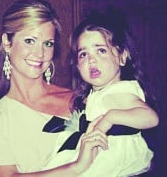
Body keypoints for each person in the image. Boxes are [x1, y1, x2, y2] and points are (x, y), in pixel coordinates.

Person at [0, 0, 108, 177]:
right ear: (7, 42)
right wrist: (77, 166)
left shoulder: (79, 99)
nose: (39, 54)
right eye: (30, 41)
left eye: (48, 44)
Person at [43, 9, 159, 176]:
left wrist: (110, 117)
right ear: (76, 65)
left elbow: (150, 118)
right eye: (83, 54)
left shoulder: (119, 91)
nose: (92, 59)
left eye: (101, 50)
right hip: (92, 152)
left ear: (122, 57)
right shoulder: (99, 93)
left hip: (110, 158)